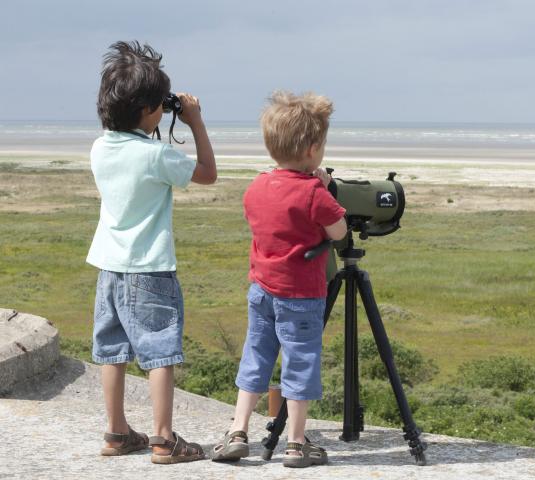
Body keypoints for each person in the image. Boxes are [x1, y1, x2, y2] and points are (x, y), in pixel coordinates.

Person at [87, 40, 216, 464]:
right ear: (147, 109)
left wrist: (155, 108)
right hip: (150, 268)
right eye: (160, 104)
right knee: (160, 350)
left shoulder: (100, 147)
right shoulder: (156, 155)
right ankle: (164, 438)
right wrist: (194, 121)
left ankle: (117, 431)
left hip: (109, 265)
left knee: (113, 350)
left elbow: (128, 131)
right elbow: (207, 175)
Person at [212, 91, 347, 468]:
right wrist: (320, 186)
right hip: (301, 296)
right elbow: (338, 232)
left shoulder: (256, 186)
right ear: (312, 148)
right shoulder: (313, 192)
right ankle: (296, 443)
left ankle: (237, 432)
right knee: (300, 362)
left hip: (261, 290)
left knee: (255, 357)